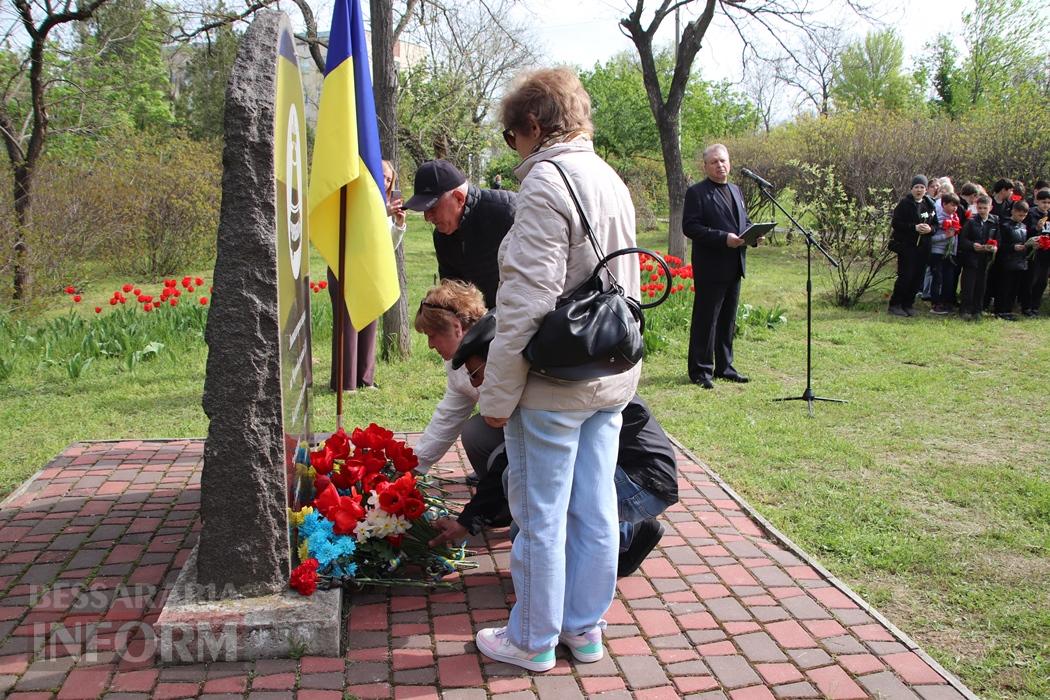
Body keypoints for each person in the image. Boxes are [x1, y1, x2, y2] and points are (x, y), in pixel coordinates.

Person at [476, 67, 640, 673]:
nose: (511, 145)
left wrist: (497, 395)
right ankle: (585, 629)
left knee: (540, 513)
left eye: (513, 133)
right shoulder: (608, 175)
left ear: (536, 125)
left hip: (554, 383)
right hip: (611, 370)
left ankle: (533, 639)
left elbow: (524, 301)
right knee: (594, 506)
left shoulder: (547, 181)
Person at [426, 321, 678, 578]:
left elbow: (636, 413)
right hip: (618, 471)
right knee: (524, 499)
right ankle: (617, 530)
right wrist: (466, 522)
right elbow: (511, 460)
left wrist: (576, 448)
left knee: (533, 532)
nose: (476, 385)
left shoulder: (554, 382)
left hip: (643, 481)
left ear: (497, 364)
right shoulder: (534, 379)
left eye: (475, 374)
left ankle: (625, 537)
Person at [682, 144, 756, 388]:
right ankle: (701, 371)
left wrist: (754, 234)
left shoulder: (736, 190)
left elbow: (742, 221)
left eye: (723, 161)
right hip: (710, 267)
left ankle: (725, 367)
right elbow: (690, 227)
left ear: (729, 163)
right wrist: (724, 238)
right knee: (706, 321)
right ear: (705, 166)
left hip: (734, 265)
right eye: (713, 162)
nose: (719, 165)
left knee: (727, 320)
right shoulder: (697, 193)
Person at [326, 160, 404, 391]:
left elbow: (385, 244)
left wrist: (398, 226)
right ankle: (345, 382)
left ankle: (365, 379)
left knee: (369, 322)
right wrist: (383, 212)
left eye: (389, 179)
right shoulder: (356, 197)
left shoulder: (386, 205)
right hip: (346, 267)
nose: (385, 181)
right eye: (381, 176)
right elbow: (356, 225)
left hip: (370, 269)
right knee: (347, 324)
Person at [412, 282, 504, 477]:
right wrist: (415, 465)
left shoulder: (499, 347)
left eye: (432, 335)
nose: (429, 345)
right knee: (474, 433)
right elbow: (450, 415)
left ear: (457, 328)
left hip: (537, 432)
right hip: (507, 428)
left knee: (496, 458)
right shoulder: (457, 362)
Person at [403, 159, 515, 308]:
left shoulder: (509, 213)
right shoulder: (442, 236)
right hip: (486, 324)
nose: (427, 217)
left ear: (459, 198)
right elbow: (452, 294)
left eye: (432, 208)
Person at [888, 175, 937, 317]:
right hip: (907, 247)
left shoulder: (929, 204)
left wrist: (930, 229)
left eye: (922, 187)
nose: (919, 190)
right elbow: (896, 223)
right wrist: (914, 227)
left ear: (926, 189)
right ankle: (895, 304)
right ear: (911, 189)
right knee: (905, 276)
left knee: (918, 276)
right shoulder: (904, 204)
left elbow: (936, 225)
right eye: (916, 187)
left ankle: (908, 304)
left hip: (924, 247)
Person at [957, 194, 998, 321]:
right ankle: (965, 309)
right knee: (968, 285)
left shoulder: (994, 221)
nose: (982, 211)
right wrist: (972, 245)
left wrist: (994, 247)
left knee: (981, 285)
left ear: (990, 208)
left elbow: (998, 239)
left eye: (985, 208)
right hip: (971, 258)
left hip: (985, 259)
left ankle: (977, 309)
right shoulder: (971, 222)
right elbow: (962, 240)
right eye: (979, 208)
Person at [993, 200, 1030, 320]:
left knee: (1014, 287)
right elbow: (1000, 244)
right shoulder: (1004, 225)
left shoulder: (1024, 227)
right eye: (1020, 215)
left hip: (1019, 261)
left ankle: (1008, 309)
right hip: (1006, 261)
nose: (1022, 218)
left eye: (1024, 216)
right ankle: (1000, 310)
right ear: (1013, 211)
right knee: (1004, 286)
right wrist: (1013, 247)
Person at [930, 193, 962, 314]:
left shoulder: (955, 217)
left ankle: (945, 302)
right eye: (952, 205)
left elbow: (955, 237)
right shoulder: (937, 217)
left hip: (950, 253)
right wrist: (945, 236)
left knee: (949, 278)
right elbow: (931, 238)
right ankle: (935, 304)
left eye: (956, 206)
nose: (954, 208)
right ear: (944, 204)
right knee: (937, 278)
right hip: (937, 251)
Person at [1020, 188, 1050, 316]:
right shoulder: (1031, 214)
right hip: (1033, 253)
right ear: (1037, 201)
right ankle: (1026, 306)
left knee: (1042, 281)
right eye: (1043, 202)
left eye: (1049, 202)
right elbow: (1026, 231)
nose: (1046, 205)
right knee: (1031, 279)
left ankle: (1035, 306)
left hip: (1046, 253)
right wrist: (1037, 228)